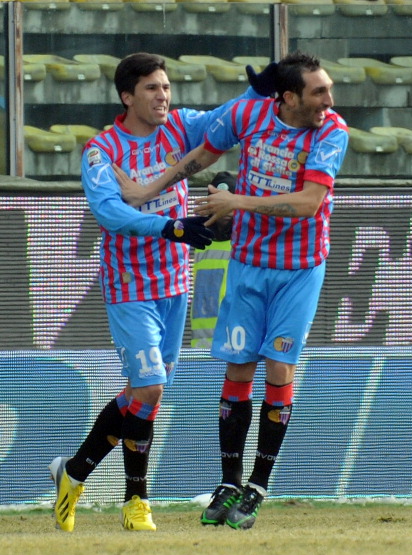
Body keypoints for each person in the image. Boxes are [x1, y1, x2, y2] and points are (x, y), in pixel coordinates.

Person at [114, 51, 349, 530]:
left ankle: (258, 487)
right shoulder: (248, 114)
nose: (329, 100)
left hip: (300, 268)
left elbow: (309, 204)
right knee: (238, 367)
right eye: (319, 91)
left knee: (279, 367)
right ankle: (229, 482)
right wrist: (147, 190)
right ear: (288, 98)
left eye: (329, 89)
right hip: (248, 263)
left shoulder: (331, 131)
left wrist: (236, 201)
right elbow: (203, 154)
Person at [49, 52, 278, 532]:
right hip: (130, 287)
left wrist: (257, 93)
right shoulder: (101, 151)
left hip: (174, 285)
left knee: (142, 393)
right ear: (126, 96)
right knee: (150, 386)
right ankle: (137, 501)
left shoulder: (180, 127)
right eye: (152, 88)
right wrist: (170, 227)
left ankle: (73, 473)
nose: (163, 96)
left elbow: (225, 122)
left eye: (166, 87)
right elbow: (110, 213)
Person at [190, 171, 236, 348]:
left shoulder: (248, 239)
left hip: (238, 340)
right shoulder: (196, 237)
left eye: (229, 202)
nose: (225, 209)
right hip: (202, 346)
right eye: (219, 203)